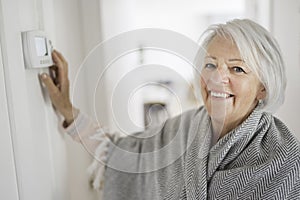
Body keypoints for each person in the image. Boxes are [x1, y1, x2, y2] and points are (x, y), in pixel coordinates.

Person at [41, 19, 300, 200]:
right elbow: (119, 153)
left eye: (237, 68)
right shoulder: (181, 129)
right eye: (210, 65)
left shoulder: (284, 159)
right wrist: (67, 108)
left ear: (263, 88)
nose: (217, 78)